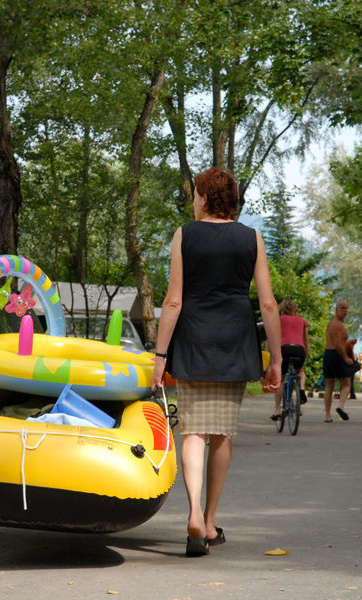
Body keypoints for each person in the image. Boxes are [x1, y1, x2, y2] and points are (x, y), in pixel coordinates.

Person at [150, 167, 281, 557]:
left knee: (192, 431)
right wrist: (275, 358)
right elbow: (269, 303)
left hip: (192, 339)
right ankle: (208, 521)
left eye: (195, 194)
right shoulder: (251, 238)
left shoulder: (184, 236)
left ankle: (190, 512)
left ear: (205, 197)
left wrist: (160, 356)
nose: (193, 200)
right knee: (222, 433)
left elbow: (173, 301)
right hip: (235, 342)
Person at [271, 299, 308, 422]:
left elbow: (272, 336)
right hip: (299, 350)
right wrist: (305, 353)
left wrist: (269, 352)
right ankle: (301, 389)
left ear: (282, 308)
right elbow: (305, 339)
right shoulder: (302, 320)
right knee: (300, 371)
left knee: (280, 379)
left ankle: (277, 410)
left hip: (284, 350)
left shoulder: (279, 320)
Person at [322, 300, 355, 422]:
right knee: (346, 384)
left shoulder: (335, 323)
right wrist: (345, 357)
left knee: (329, 386)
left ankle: (327, 416)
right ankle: (340, 406)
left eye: (346, 308)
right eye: (342, 308)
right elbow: (336, 343)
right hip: (335, 354)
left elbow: (339, 342)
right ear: (336, 309)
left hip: (328, 354)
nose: (344, 311)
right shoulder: (336, 324)